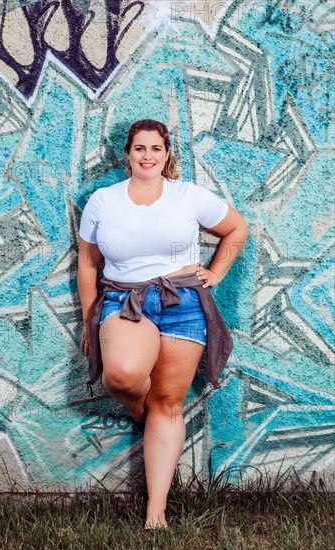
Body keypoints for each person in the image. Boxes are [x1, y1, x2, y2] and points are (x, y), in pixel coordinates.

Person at [77, 119, 248, 530]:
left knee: (169, 405)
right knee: (122, 375)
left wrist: (217, 272)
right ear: (128, 154)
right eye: (140, 148)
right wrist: (89, 319)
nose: (148, 156)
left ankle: (157, 511)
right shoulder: (103, 201)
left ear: (167, 153)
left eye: (156, 148)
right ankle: (138, 409)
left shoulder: (188, 196)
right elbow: (88, 263)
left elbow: (236, 228)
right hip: (125, 300)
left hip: (182, 301)